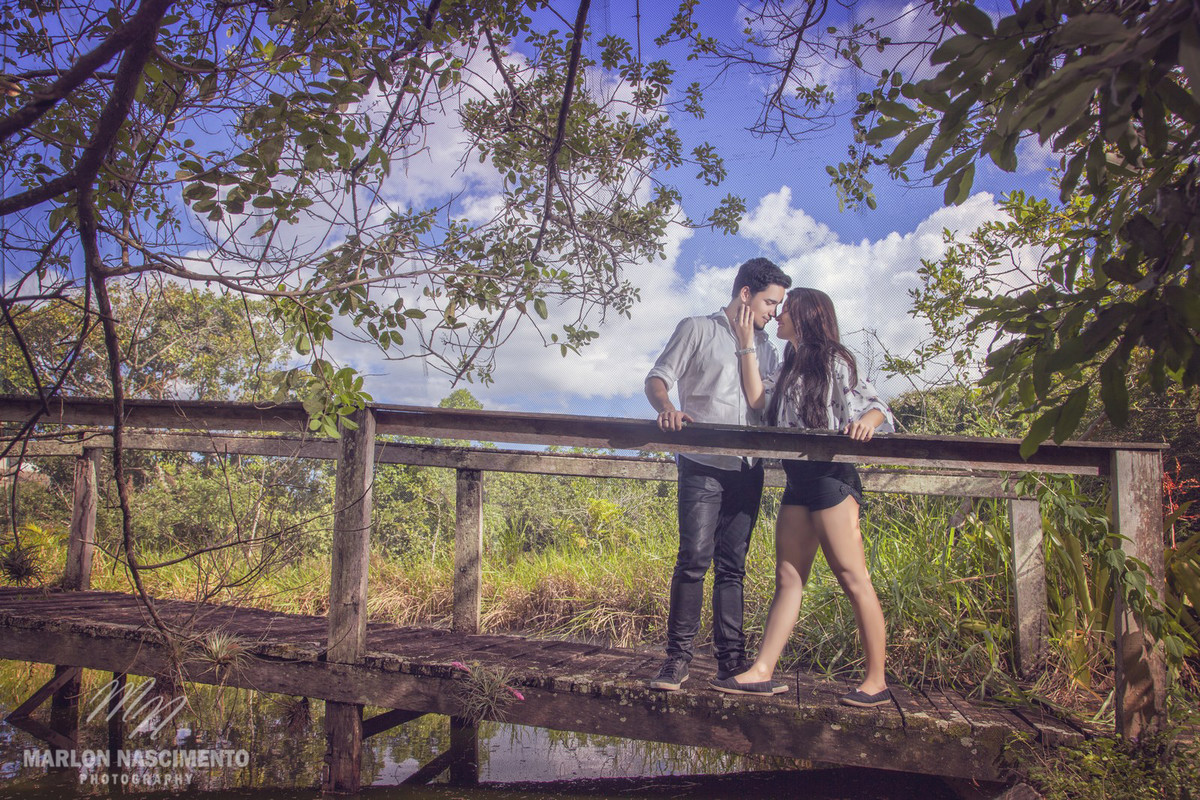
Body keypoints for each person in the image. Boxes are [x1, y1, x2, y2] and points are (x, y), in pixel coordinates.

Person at [711, 286, 895, 708]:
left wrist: (867, 421)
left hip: (831, 478)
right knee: (789, 578)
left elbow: (877, 404)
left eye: (786, 310)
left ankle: (876, 682)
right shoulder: (789, 365)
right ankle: (762, 671)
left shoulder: (834, 359)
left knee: (853, 577)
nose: (778, 316)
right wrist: (745, 344)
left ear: (806, 316)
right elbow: (758, 400)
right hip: (797, 482)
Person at [644, 258, 793, 692]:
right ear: (746, 294)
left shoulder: (768, 349)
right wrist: (667, 408)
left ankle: (732, 663)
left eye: (778, 305)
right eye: (770, 302)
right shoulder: (696, 329)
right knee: (693, 558)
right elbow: (657, 379)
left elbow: (767, 404)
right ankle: (677, 660)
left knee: (734, 567)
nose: (775, 313)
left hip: (749, 467)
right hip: (702, 462)